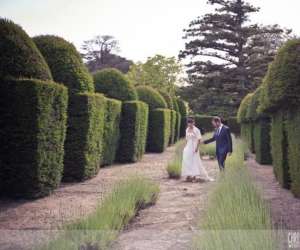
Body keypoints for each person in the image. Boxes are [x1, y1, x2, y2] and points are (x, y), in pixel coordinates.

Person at [181, 117, 213, 182]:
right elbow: (186, 139)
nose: (190, 125)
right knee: (186, 160)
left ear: (193, 123)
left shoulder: (196, 130)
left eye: (191, 123)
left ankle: (194, 175)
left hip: (194, 146)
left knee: (194, 160)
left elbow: (199, 139)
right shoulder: (187, 129)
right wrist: (185, 147)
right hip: (188, 147)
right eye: (189, 123)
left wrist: (196, 148)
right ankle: (188, 175)